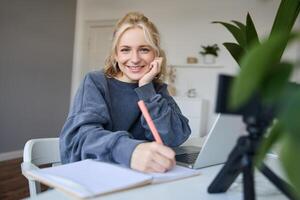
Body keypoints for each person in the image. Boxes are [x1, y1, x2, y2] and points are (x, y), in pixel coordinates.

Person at [59, 12, 191, 173]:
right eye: (125, 50)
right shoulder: (96, 82)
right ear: (115, 54)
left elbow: (174, 137)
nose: (134, 59)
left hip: (142, 177)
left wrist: (146, 89)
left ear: (155, 54)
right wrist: (131, 150)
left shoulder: (156, 89)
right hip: (98, 173)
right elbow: (80, 138)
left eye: (143, 49)